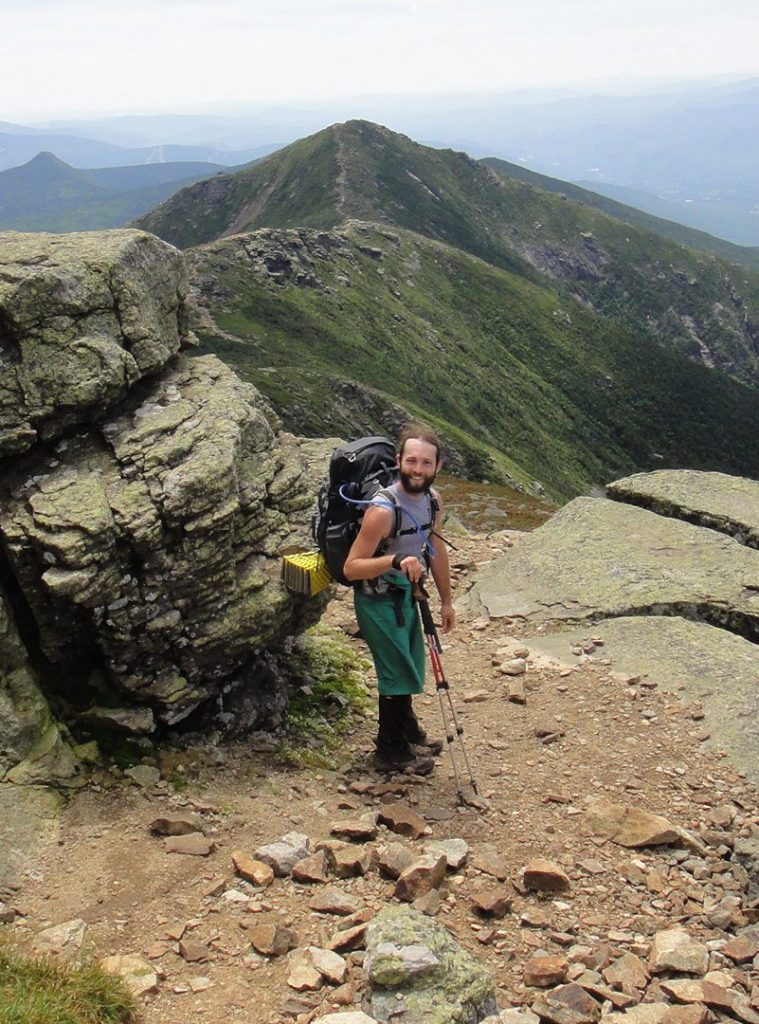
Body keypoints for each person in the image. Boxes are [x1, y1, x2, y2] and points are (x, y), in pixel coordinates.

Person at [343, 422, 455, 772]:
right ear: (398, 461)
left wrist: (447, 601)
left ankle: (407, 732)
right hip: (376, 599)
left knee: (410, 665)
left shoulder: (433, 502)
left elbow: (434, 548)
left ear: (438, 467)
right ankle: (389, 751)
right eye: (411, 461)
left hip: (407, 594)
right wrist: (393, 560)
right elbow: (351, 568)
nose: (417, 470)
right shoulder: (382, 511)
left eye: (425, 463)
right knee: (395, 671)